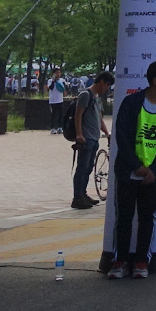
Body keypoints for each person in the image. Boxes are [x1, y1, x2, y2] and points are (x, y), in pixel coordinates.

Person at [109, 60, 156, 279]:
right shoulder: (131, 103)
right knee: (124, 217)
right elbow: (122, 137)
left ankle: (141, 261)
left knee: (148, 217)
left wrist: (154, 170)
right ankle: (119, 261)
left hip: (152, 176)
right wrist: (136, 166)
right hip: (128, 172)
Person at [69, 71, 114, 208]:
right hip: (86, 138)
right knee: (82, 168)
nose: (107, 89)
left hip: (94, 138)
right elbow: (78, 115)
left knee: (88, 168)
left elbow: (99, 118)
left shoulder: (97, 98)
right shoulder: (85, 95)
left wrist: (106, 133)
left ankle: (83, 194)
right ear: (102, 82)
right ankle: (77, 197)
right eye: (107, 85)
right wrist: (79, 134)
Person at [47, 67, 68, 134]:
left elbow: (65, 87)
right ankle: (53, 128)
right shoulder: (50, 80)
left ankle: (60, 127)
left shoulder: (62, 80)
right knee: (53, 115)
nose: (58, 74)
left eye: (59, 72)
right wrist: (54, 81)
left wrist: (65, 87)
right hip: (53, 100)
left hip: (60, 100)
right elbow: (50, 88)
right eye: (56, 73)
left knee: (60, 114)